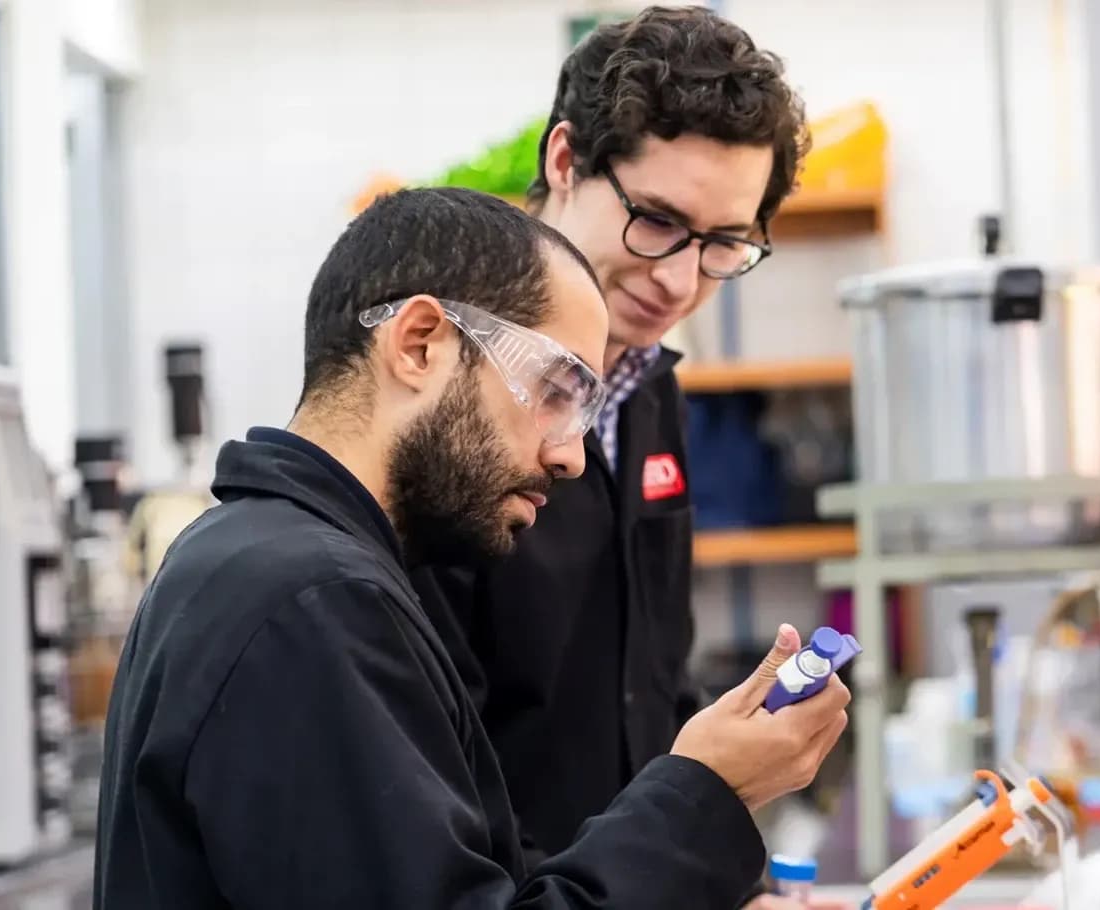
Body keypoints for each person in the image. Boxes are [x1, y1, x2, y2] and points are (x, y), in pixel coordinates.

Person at [94, 187, 849, 909]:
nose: (571, 456)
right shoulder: (312, 602)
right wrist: (706, 792)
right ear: (420, 345)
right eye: (555, 389)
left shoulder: (266, 562)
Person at [411, 9, 832, 908]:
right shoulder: (449, 400)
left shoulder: (647, 389)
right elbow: (436, 757)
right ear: (566, 161)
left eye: (724, 243)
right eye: (657, 221)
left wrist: (735, 884)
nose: (680, 279)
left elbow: (655, 683)